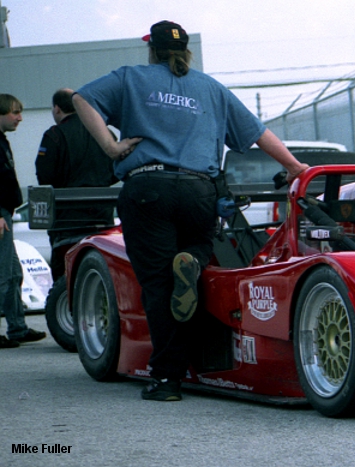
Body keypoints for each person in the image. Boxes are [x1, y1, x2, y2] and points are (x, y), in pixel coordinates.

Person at [72, 21, 309, 401]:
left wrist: (112, 148)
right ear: (187, 53)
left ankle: (167, 380)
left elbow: (80, 99)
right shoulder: (210, 88)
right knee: (200, 249)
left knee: (158, 285)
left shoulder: (131, 77)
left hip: (148, 187)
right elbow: (258, 133)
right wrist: (296, 167)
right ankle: (194, 262)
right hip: (199, 190)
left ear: (153, 50)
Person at [36, 88, 118, 280]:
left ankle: (66, 307)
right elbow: (118, 168)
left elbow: (45, 175)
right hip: (101, 216)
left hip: (66, 220)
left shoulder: (54, 135)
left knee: (66, 276)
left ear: (57, 109)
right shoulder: (105, 133)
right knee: (98, 272)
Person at [0, 94, 48, 348]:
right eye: (14, 112)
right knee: (2, 274)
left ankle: (17, 327)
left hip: (5, 213)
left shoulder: (2, 141)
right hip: (1, 214)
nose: (19, 118)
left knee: (14, 273)